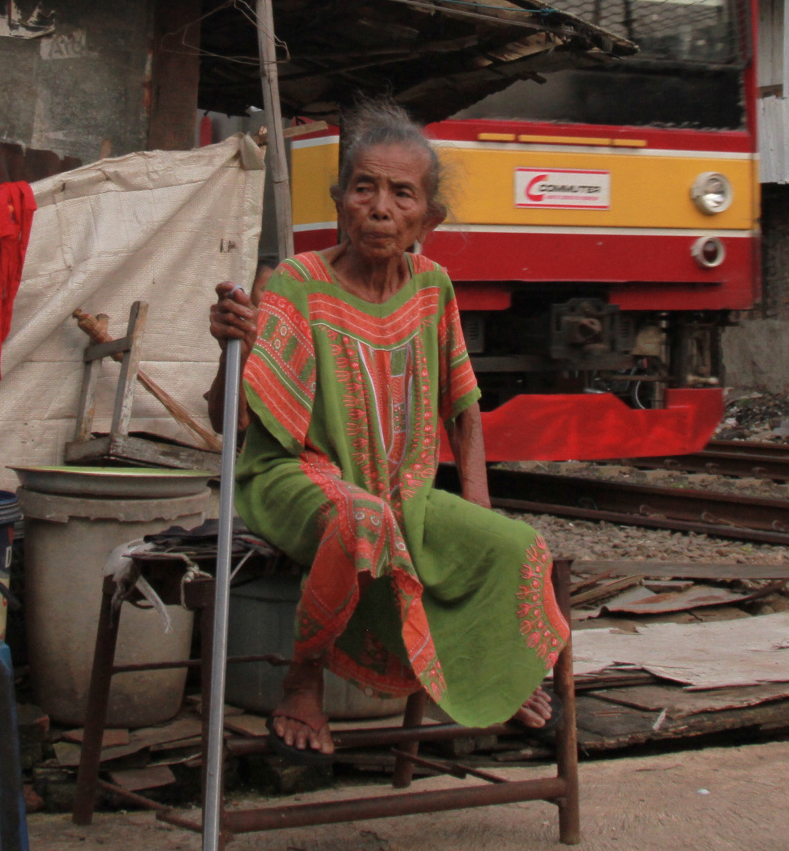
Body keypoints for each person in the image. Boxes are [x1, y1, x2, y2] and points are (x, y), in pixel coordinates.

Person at [208, 101, 568, 761]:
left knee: (517, 545)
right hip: (294, 477)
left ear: (428, 219)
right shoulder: (297, 281)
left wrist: (476, 515)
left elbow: (464, 410)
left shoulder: (433, 285)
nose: (379, 206)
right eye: (364, 187)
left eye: (401, 193)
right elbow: (228, 423)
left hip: (401, 488)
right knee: (363, 520)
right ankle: (302, 680)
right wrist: (228, 349)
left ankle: (496, 675)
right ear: (340, 200)